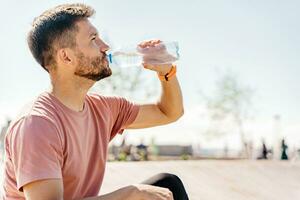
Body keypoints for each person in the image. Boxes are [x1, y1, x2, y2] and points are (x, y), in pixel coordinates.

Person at [3, 3, 189, 200]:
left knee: (168, 184)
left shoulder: (103, 108)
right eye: (93, 39)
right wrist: (129, 194)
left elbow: (169, 112)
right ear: (66, 57)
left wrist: (166, 72)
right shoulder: (37, 124)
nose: (105, 46)